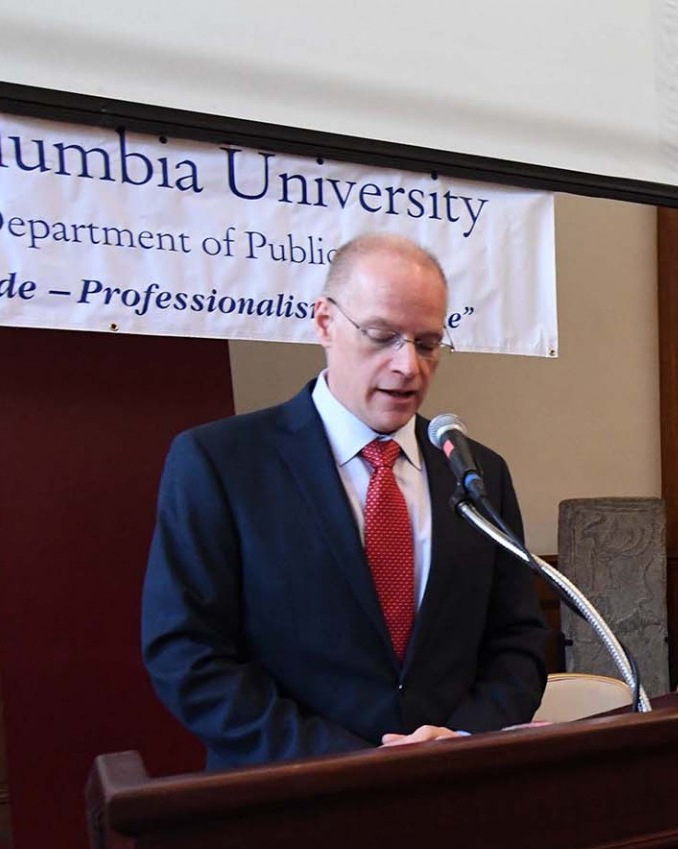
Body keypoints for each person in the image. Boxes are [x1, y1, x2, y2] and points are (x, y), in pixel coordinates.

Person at [141, 234, 549, 767]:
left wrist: (463, 737)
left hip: (452, 789)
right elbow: (187, 654)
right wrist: (346, 763)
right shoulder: (221, 463)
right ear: (325, 322)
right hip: (288, 798)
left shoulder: (474, 472)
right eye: (382, 336)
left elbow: (518, 638)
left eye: (427, 344)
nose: (408, 367)